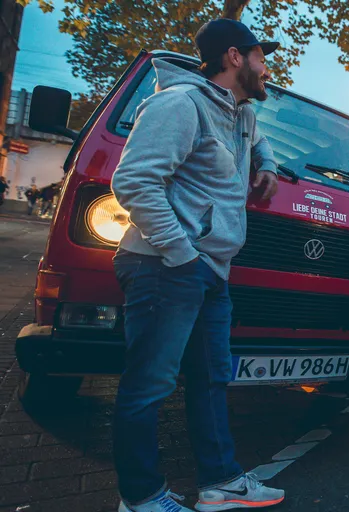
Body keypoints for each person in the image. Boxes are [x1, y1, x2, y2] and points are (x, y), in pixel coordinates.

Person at [110, 18, 282, 512]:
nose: (266, 68)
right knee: (149, 386)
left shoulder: (241, 113)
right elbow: (135, 182)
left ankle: (220, 483)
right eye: (261, 58)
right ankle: (140, 498)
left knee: (211, 379)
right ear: (234, 57)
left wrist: (266, 164)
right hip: (166, 265)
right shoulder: (179, 105)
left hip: (211, 271)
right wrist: (182, 254)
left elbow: (257, 139)